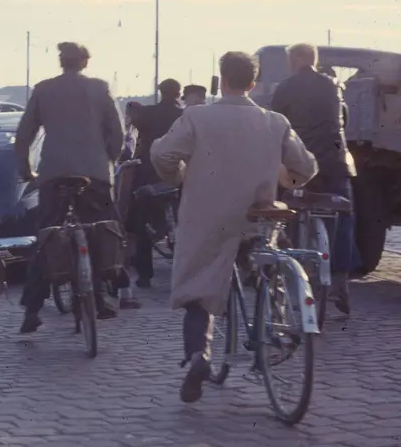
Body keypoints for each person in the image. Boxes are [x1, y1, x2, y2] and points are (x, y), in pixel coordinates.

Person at [151, 50, 317, 403]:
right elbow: (306, 166)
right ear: (252, 85)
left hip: (207, 217)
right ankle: (271, 314)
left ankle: (200, 355)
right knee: (260, 262)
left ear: (222, 79)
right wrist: (284, 179)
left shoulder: (197, 117)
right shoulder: (275, 122)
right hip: (258, 216)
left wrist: (180, 175)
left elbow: (163, 155)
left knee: (198, 289)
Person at [14, 42, 126, 334]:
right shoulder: (100, 88)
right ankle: (101, 295)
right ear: (85, 62)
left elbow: (24, 134)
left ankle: (32, 309)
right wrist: (107, 161)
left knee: (47, 237)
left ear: (61, 62)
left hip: (54, 173)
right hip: (95, 174)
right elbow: (118, 133)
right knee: (103, 230)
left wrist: (26, 170)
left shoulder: (43, 89)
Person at [270, 42, 358, 314]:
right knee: (344, 217)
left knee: (284, 211)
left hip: (301, 165)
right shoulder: (334, 85)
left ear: (295, 60)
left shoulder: (284, 87)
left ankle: (291, 268)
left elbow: (276, 124)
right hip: (334, 163)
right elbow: (344, 118)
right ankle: (341, 281)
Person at [128, 79, 185, 289]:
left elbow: (134, 124)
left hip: (148, 172)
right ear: (178, 93)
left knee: (141, 221)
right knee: (185, 219)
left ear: (160, 92)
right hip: (176, 172)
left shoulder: (148, 113)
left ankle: (144, 274)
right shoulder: (183, 116)